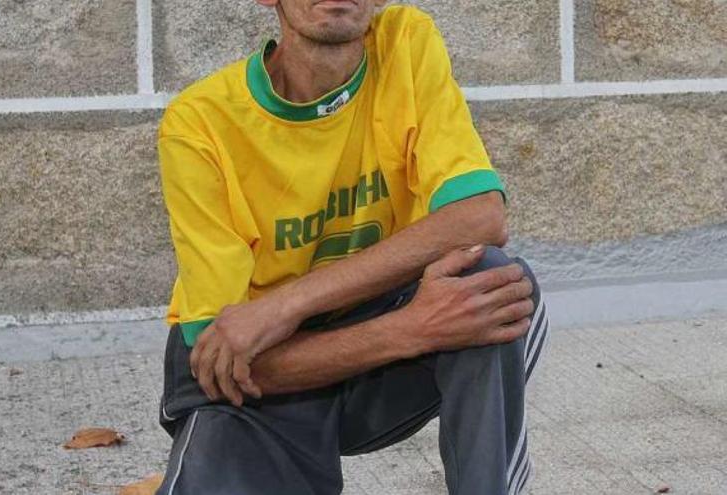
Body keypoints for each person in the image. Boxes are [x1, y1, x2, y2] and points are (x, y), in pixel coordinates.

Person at [154, 1, 550, 494]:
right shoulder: (199, 123)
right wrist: (411, 328)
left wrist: (291, 302)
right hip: (258, 389)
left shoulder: (405, 43)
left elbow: (480, 215)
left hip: (374, 360)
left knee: (492, 284)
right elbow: (229, 364)